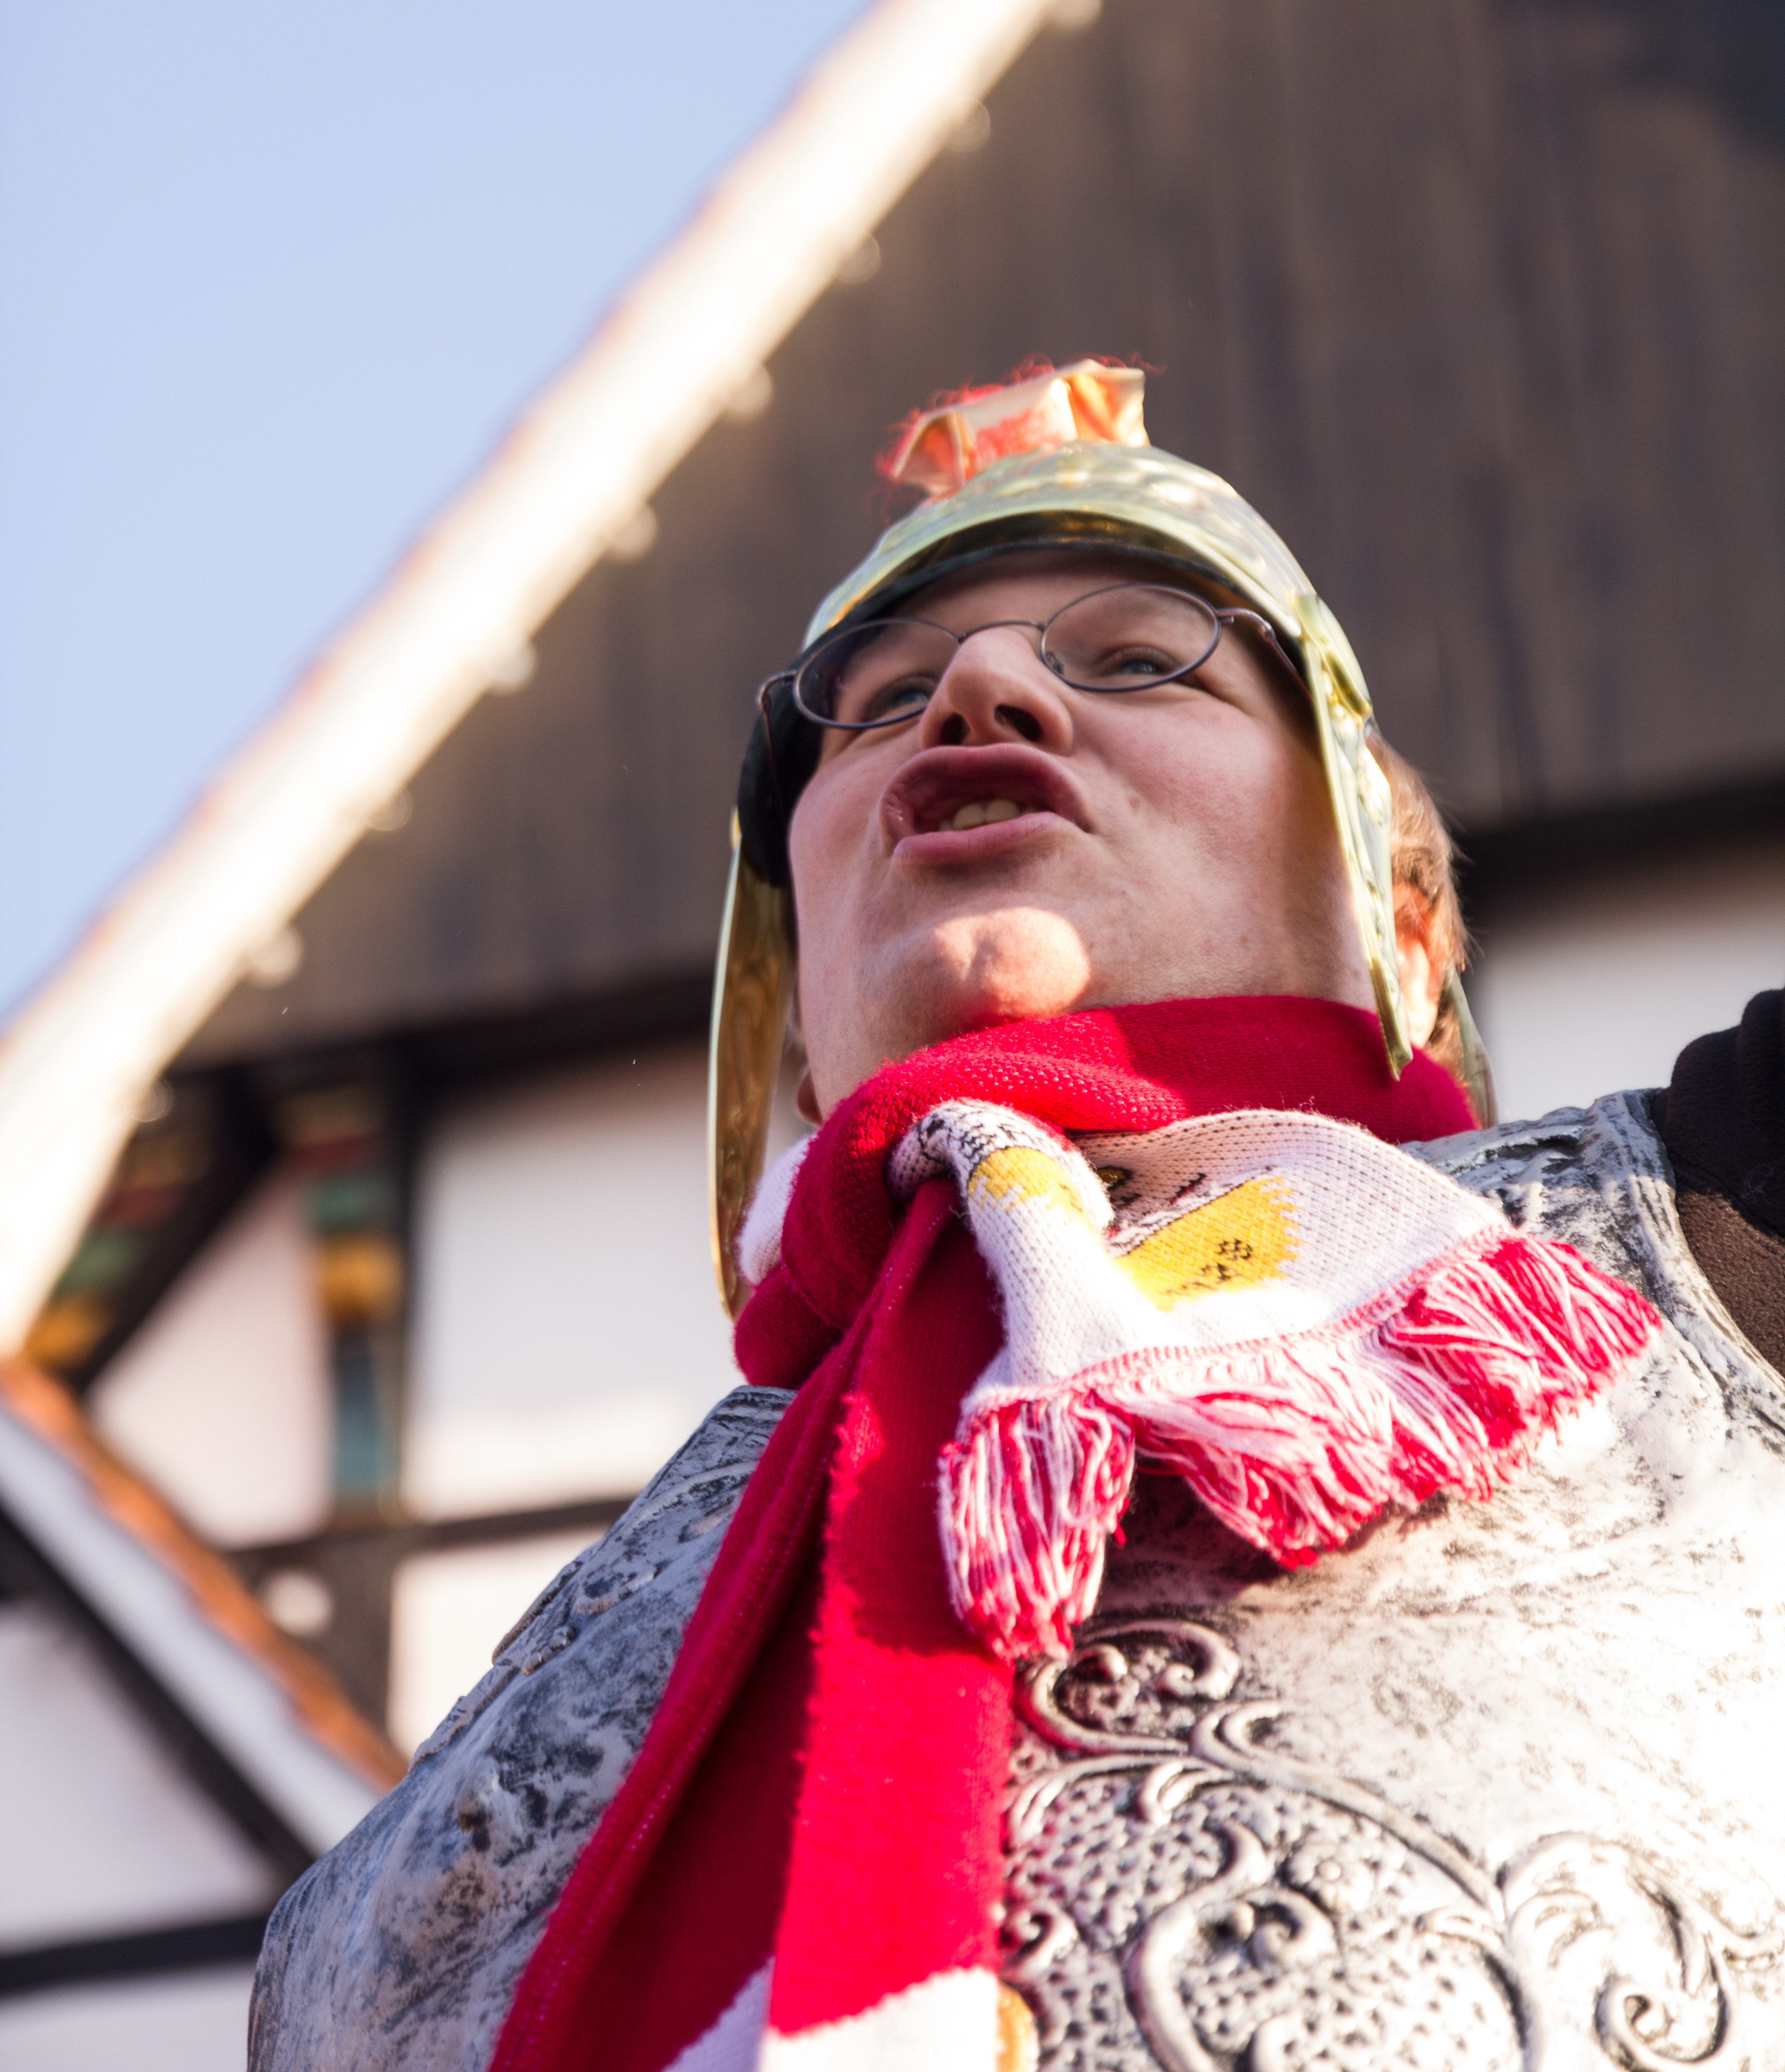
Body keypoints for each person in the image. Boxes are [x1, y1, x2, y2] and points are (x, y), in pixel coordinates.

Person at [252, 364, 1785, 2072]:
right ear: (804, 1022)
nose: (977, 693)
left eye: (1138, 659)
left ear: (1405, 933)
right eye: (882, 702)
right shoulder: (406, 1835)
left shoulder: (1703, 1228)